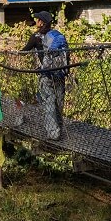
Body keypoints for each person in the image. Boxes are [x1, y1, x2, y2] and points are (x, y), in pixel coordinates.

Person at [21, 10, 69, 140]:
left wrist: (12, 52)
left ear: (41, 22)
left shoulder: (36, 37)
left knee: (49, 103)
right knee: (59, 103)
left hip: (46, 75)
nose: (36, 22)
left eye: (37, 19)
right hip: (60, 74)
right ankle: (59, 129)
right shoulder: (58, 35)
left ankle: (53, 133)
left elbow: (24, 51)